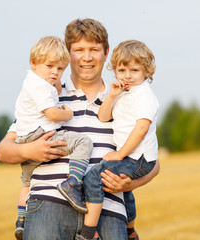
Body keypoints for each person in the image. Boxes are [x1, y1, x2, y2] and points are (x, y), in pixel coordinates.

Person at [0, 18, 160, 240]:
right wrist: (29, 151)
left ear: (106, 53)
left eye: (94, 49)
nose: (86, 57)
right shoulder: (47, 94)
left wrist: (131, 183)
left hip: (108, 213)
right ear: (67, 53)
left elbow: (153, 161)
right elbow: (3, 150)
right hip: (48, 206)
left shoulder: (126, 99)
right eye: (78, 50)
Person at [76, 40, 159, 240]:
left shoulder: (144, 95)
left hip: (138, 157)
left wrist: (119, 154)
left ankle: (88, 232)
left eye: (134, 70)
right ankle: (130, 231)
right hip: (131, 156)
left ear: (146, 72)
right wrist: (112, 96)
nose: (127, 76)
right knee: (124, 189)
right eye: (122, 70)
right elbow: (103, 117)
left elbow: (141, 129)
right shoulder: (124, 93)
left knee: (93, 177)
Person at [13, 36, 93, 240]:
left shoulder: (33, 82)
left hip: (25, 140)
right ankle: (73, 183)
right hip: (43, 135)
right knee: (84, 142)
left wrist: (55, 83)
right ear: (33, 63)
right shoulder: (38, 85)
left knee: (26, 184)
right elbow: (53, 114)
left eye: (59, 69)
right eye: (50, 66)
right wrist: (68, 113)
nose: (54, 73)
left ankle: (21, 220)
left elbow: (53, 91)